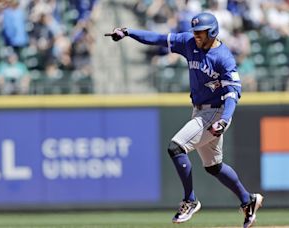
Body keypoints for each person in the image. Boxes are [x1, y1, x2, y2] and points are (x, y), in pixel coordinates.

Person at [108, 12, 263, 228]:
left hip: (215, 113)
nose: (197, 36)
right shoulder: (189, 42)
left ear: (213, 32)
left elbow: (233, 93)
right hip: (199, 111)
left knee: (175, 147)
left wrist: (225, 119)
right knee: (214, 167)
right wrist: (127, 32)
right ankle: (248, 200)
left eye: (201, 32)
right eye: (195, 32)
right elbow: (159, 39)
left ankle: (190, 200)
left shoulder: (223, 57)